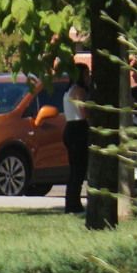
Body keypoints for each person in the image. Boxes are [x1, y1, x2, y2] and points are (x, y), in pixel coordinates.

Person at [62, 64, 90, 214]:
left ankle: (72, 202)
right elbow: (84, 113)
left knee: (75, 169)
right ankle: (73, 204)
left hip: (70, 128)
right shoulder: (79, 91)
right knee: (78, 169)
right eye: (86, 74)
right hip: (78, 129)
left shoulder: (68, 91)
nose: (89, 78)